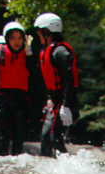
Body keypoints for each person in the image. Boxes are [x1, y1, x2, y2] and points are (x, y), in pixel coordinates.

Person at [33, 12, 78, 157]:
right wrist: (50, 99)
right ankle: (49, 169)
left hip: (65, 102)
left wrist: (66, 105)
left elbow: (69, 80)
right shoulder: (49, 50)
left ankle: (69, 169)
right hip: (56, 101)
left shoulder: (61, 52)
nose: (38, 36)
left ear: (46, 31)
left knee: (54, 138)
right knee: (46, 137)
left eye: (40, 32)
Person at [0, 21, 32, 156]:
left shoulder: (27, 55)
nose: (16, 42)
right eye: (12, 38)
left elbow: (36, 78)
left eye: (19, 38)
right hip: (3, 99)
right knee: (4, 137)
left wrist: (30, 55)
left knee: (19, 136)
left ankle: (17, 164)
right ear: (7, 39)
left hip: (20, 100)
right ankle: (2, 164)